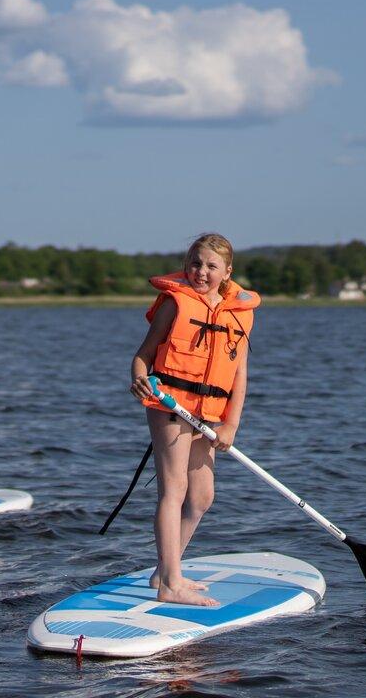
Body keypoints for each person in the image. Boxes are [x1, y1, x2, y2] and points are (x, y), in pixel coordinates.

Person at [128, 233, 260, 606]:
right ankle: (171, 583)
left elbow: (239, 374)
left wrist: (230, 425)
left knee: (201, 497)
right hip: (169, 403)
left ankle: (165, 569)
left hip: (209, 414)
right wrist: (139, 379)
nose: (201, 272)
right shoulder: (176, 303)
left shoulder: (241, 313)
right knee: (174, 491)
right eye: (195, 263)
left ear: (227, 272)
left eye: (211, 266)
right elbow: (143, 355)